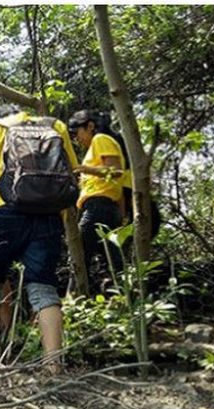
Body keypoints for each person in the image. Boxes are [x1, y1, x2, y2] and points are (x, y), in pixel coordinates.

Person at [0, 109, 79, 372]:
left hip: (4, 210)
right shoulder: (56, 126)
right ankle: (54, 364)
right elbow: (71, 174)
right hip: (48, 213)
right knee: (43, 286)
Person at [68, 110, 126, 286]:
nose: (76, 139)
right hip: (105, 208)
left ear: (90, 126)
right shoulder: (94, 147)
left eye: (76, 133)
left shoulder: (100, 139)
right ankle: (126, 295)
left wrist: (84, 169)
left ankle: (73, 299)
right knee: (113, 257)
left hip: (98, 206)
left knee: (79, 253)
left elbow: (115, 171)